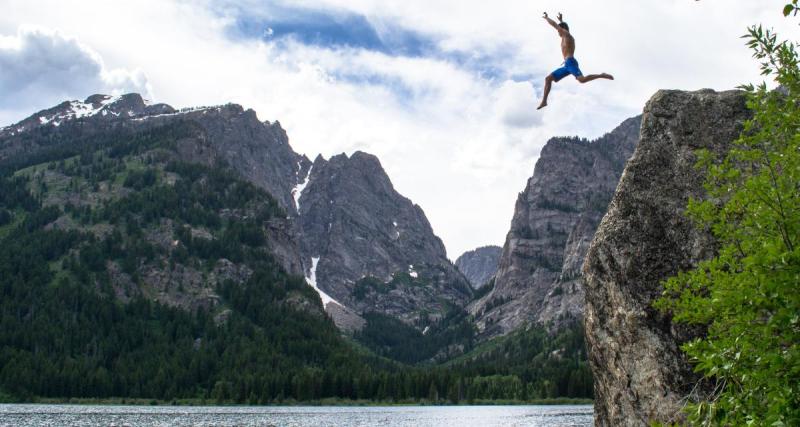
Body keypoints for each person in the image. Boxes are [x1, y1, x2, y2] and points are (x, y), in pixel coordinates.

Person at [537, 12, 614, 110]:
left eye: (559, 31)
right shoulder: (566, 36)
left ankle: (601, 75)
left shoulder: (566, 34)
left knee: (582, 80)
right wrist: (561, 20)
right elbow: (562, 26)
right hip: (566, 65)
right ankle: (544, 101)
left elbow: (554, 25)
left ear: (562, 30)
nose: (558, 33)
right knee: (548, 79)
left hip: (571, 62)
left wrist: (547, 18)